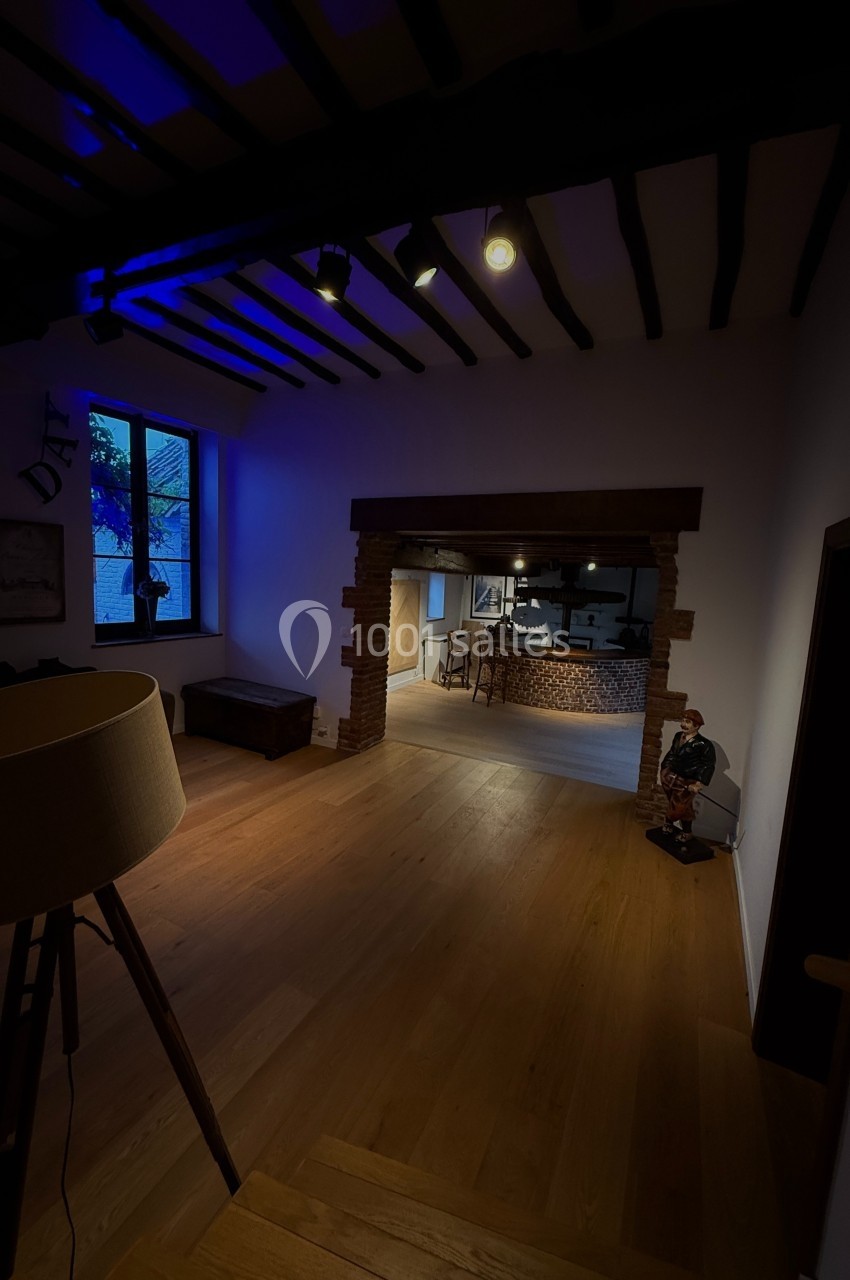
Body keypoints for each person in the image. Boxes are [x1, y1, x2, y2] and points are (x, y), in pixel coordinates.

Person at [659, 709, 716, 844]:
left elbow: (708, 765)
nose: (683, 724)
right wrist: (664, 769)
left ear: (696, 726)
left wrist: (699, 783)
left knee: (679, 807)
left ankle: (675, 824)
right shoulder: (678, 736)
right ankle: (680, 829)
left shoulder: (704, 745)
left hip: (687, 781)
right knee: (675, 802)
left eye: (688, 722)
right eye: (683, 721)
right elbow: (672, 753)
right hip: (671, 777)